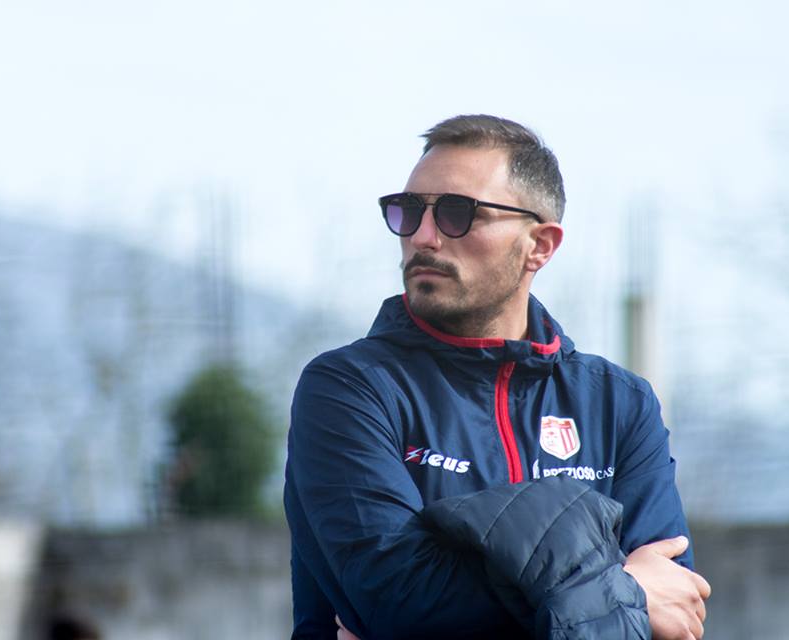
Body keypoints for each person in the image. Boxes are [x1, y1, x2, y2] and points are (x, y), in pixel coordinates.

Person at [284, 114, 710, 639]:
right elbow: (401, 601)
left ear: (540, 245)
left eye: (457, 213)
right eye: (409, 210)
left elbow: (675, 612)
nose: (422, 236)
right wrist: (623, 590)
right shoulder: (351, 388)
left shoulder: (618, 403)